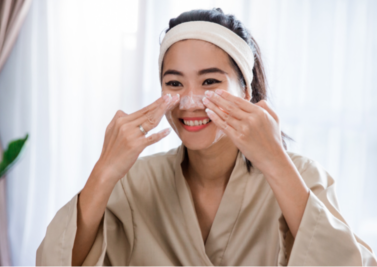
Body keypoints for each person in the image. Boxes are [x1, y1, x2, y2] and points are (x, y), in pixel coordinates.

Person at [36, 8, 377, 267]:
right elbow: (57, 260)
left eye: (210, 82)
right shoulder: (135, 181)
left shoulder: (300, 175)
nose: (190, 102)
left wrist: (275, 162)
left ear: (245, 91)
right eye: (174, 83)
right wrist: (105, 170)